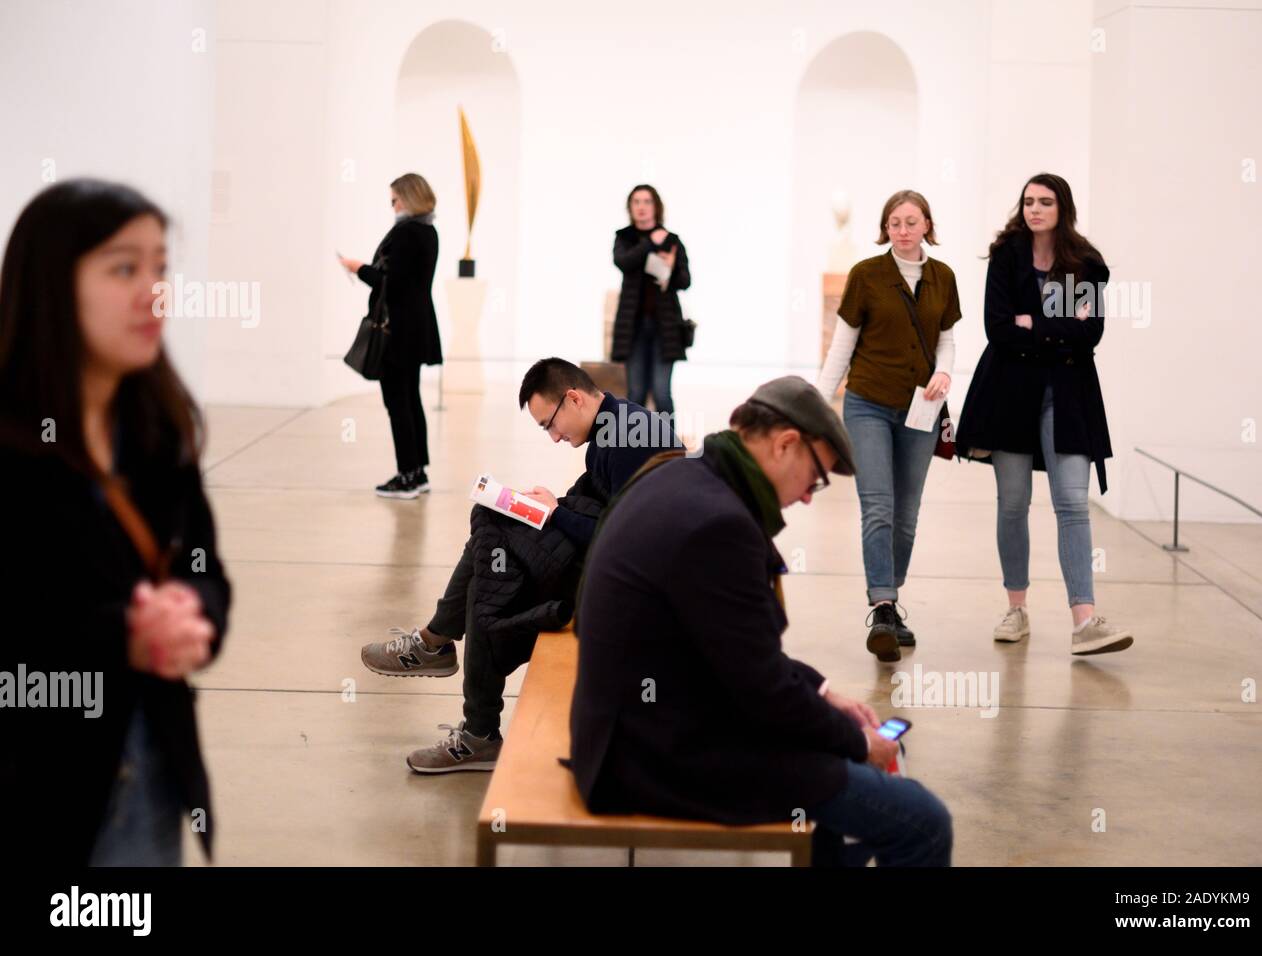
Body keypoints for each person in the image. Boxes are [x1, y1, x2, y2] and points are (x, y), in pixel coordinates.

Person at [569, 376, 952, 866]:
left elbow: (734, 647)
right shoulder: (719, 523)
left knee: (839, 777)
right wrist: (858, 741)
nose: (810, 498)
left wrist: (821, 692)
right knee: (922, 820)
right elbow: (761, 689)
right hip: (656, 754)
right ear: (786, 444)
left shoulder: (683, 475)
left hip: (634, 725)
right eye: (816, 479)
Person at [0, 179, 232, 866]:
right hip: (37, 796)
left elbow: (203, 566)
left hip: (147, 781)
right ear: (51, 284)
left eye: (161, 267)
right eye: (124, 268)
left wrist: (194, 617)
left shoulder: (156, 432)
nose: (153, 290)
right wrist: (119, 636)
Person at [358, 358, 679, 772]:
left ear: (574, 398)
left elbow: (626, 540)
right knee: (492, 542)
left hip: (629, 580)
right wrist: (550, 507)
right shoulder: (617, 425)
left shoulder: (630, 439)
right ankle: (455, 688)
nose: (553, 437)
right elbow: (607, 508)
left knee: (490, 573)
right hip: (602, 558)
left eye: (549, 423)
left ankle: (445, 666)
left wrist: (555, 515)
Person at [956, 173, 1133, 655]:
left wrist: (1032, 324)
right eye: (1029, 201)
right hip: (1010, 393)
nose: (1035, 209)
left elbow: (1089, 333)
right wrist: (1055, 328)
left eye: (1045, 202)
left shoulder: (1084, 264)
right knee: (1013, 502)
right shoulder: (1007, 255)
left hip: (1068, 393)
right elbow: (997, 328)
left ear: (1062, 208)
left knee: (1072, 503)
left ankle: (1085, 620)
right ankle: (1017, 608)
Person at [817, 190, 961, 661]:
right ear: (886, 228)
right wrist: (816, 406)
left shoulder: (943, 277)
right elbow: (842, 346)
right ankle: (883, 604)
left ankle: (890, 601)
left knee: (907, 513)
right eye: (895, 222)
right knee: (878, 505)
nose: (903, 229)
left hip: (921, 407)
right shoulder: (866, 275)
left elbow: (946, 339)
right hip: (868, 404)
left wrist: (945, 371)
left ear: (926, 226)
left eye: (911, 221)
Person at [339, 172, 442, 499]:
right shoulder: (428, 231)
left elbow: (390, 283)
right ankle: (418, 472)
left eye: (395, 200)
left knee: (398, 401)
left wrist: (358, 268)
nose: (393, 206)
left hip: (397, 331)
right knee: (410, 399)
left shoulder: (406, 234)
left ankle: (407, 476)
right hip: (416, 327)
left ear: (409, 198)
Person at [609, 184, 691, 418]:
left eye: (647, 202)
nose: (641, 207)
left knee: (662, 392)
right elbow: (623, 261)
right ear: (630, 207)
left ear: (656, 206)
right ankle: (633, 448)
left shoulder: (672, 240)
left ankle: (669, 450)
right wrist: (649, 243)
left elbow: (685, 281)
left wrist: (672, 268)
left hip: (665, 328)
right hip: (633, 328)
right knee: (635, 393)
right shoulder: (624, 237)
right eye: (636, 202)